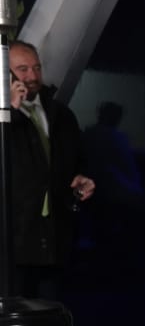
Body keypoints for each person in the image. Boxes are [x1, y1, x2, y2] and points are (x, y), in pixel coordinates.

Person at [5, 40, 95, 299]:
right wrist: (9, 109)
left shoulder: (62, 115)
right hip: (13, 243)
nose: (32, 76)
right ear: (6, 74)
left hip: (54, 239)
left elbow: (77, 160)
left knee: (48, 319)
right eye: (22, 69)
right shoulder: (3, 116)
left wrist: (81, 178)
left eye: (36, 68)